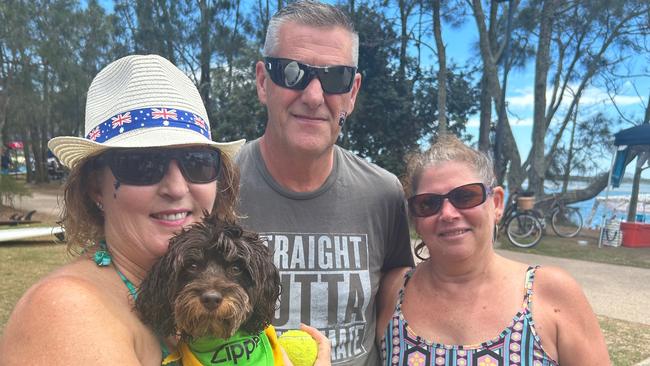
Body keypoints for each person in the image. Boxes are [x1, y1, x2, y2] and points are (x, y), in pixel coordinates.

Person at [0, 54, 329, 365]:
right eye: (143, 164)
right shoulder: (65, 314)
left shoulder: (175, 296)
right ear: (95, 186)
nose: (176, 187)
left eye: (197, 162)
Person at [236, 1, 414, 364]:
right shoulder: (213, 184)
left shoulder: (384, 192)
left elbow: (399, 295)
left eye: (335, 78)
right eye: (291, 72)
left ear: (353, 91)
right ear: (261, 81)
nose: (314, 96)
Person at [376, 135, 611, 365]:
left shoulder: (552, 292)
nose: (447, 214)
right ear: (416, 218)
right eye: (429, 203)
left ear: (497, 203)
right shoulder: (393, 290)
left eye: (466, 196)